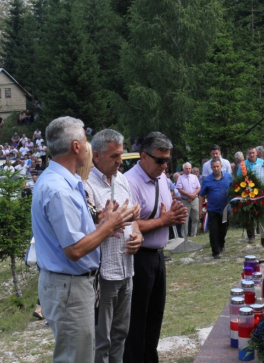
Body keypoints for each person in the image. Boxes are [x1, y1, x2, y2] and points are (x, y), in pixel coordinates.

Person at [31, 116, 136, 363]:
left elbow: (73, 234)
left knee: (81, 354)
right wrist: (110, 225)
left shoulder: (62, 181)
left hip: (71, 285)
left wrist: (99, 223)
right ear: (76, 146)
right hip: (69, 287)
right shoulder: (59, 188)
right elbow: (74, 250)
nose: (88, 146)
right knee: (76, 358)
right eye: (85, 140)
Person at [123, 132, 188, 363]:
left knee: (154, 319)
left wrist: (174, 215)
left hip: (158, 257)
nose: (164, 165)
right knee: (137, 322)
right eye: (160, 160)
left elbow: (164, 212)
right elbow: (127, 225)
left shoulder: (160, 177)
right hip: (139, 258)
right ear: (144, 156)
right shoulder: (130, 182)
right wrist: (164, 220)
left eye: (167, 160)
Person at [85, 129, 143, 363]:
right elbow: (84, 231)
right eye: (114, 156)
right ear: (96, 156)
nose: (120, 161)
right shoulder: (86, 184)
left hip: (126, 269)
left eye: (121, 154)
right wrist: (103, 221)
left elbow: (134, 221)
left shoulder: (122, 180)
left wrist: (138, 236)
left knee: (120, 333)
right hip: (103, 274)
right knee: (102, 339)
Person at [199, 158, 232, 259]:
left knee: (223, 228)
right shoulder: (207, 180)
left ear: (221, 166)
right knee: (213, 230)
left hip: (226, 208)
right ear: (211, 168)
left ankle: (221, 243)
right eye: (214, 167)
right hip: (213, 209)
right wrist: (200, 209)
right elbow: (201, 195)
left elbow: (234, 189)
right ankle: (215, 251)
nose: (216, 168)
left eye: (218, 166)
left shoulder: (228, 177)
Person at [237, 147, 263, 243]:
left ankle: (260, 230)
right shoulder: (243, 164)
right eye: (250, 153)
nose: (251, 155)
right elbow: (239, 177)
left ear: (256, 153)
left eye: (253, 153)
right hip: (247, 190)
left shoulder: (261, 161)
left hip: (259, 189)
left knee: (259, 210)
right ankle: (251, 235)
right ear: (247, 154)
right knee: (249, 212)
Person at [176, 162, 201, 238]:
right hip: (185, 201)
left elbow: (199, 187)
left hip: (195, 200)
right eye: (186, 168)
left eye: (189, 168)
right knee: (185, 219)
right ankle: (184, 235)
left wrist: (193, 195)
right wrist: (189, 195)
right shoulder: (180, 178)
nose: (188, 170)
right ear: (183, 169)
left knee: (195, 217)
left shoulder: (194, 177)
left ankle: (194, 234)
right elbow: (180, 189)